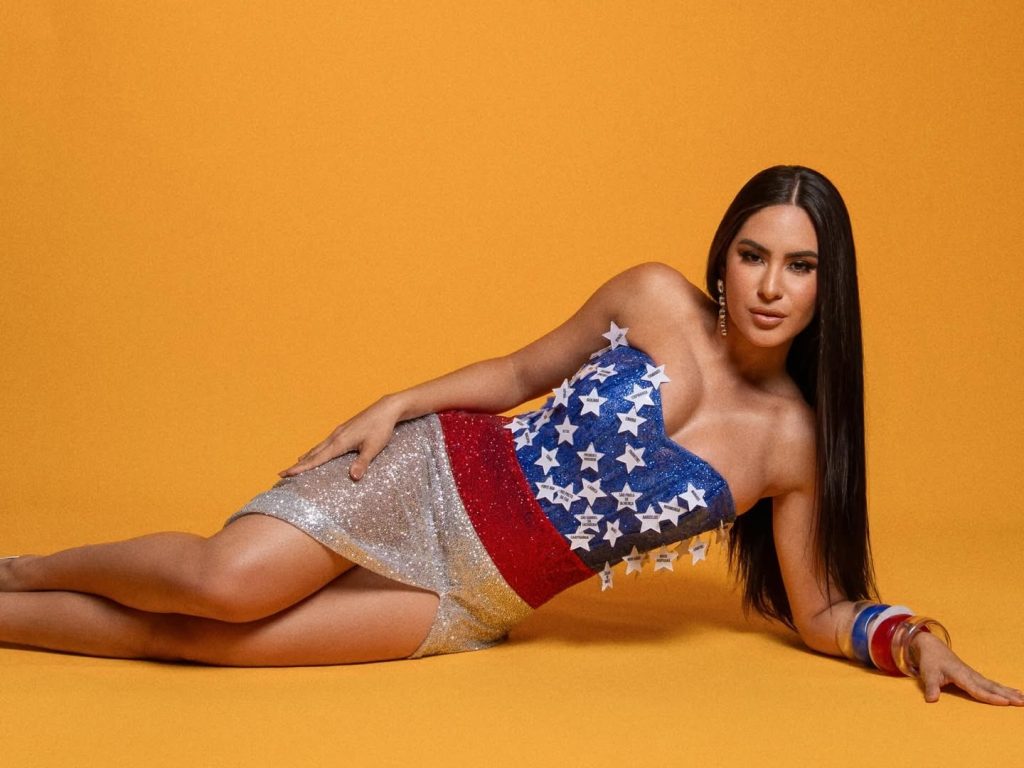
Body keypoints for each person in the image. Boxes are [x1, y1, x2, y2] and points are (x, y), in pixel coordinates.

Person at [0, 166, 1020, 706]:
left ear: (827, 288)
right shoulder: (654, 297)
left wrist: (911, 639)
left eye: (799, 267)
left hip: (473, 599)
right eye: (753, 254)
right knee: (223, 584)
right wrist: (395, 403)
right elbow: (522, 375)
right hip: (429, 479)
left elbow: (818, 606)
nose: (769, 285)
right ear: (724, 256)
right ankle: (24, 570)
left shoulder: (792, 444)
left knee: (203, 647)